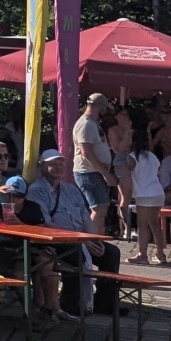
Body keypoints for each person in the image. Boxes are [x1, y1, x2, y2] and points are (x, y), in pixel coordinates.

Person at [28, 147, 123, 319]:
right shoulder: (37, 190)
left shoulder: (71, 190)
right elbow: (44, 222)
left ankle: (104, 302)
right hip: (57, 240)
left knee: (111, 253)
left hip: (81, 237)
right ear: (43, 167)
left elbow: (86, 219)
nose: (58, 167)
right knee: (75, 255)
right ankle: (71, 303)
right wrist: (80, 240)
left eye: (60, 163)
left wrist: (94, 239)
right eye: (52, 164)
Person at [71, 92, 117, 234]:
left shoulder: (92, 124)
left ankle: (96, 239)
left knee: (100, 208)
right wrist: (106, 174)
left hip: (94, 172)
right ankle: (92, 241)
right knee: (98, 208)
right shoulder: (85, 125)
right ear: (100, 106)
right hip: (89, 173)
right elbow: (86, 152)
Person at [126, 130, 170, 266]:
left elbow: (126, 172)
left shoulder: (132, 157)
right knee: (154, 224)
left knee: (143, 226)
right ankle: (161, 254)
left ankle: (143, 255)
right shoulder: (152, 156)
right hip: (157, 192)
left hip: (144, 194)